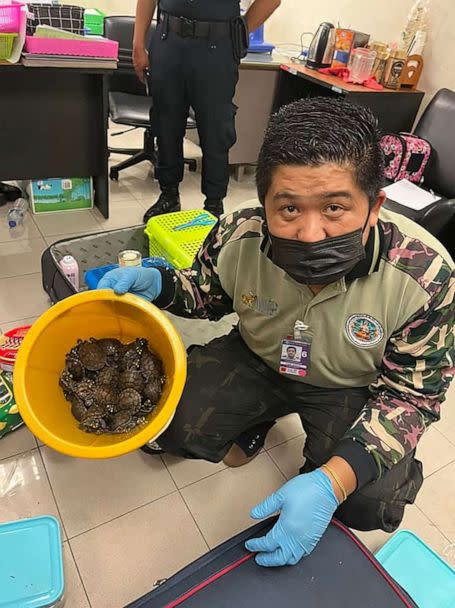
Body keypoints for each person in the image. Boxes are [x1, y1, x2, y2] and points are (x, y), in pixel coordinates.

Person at [99, 97, 455, 567]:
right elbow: (205, 294)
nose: (310, 233)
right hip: (257, 359)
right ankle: (253, 425)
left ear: (374, 207)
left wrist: (333, 480)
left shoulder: (425, 277)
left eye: (335, 207)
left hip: (350, 387)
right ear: (264, 202)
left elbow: (412, 398)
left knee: (369, 500)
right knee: (169, 420)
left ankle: (324, 470)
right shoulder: (238, 233)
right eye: (287, 209)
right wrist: (160, 280)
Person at [133, 0, 281, 221]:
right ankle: (168, 195)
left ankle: (213, 205)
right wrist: (138, 43)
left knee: (216, 131)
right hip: (168, 41)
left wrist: (239, 31)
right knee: (165, 125)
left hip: (217, 47)